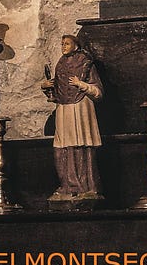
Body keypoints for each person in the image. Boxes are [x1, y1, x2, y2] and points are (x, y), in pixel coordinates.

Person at [44, 33, 103, 201]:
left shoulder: (86, 63)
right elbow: (56, 91)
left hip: (82, 107)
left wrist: (81, 84)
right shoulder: (61, 64)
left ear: (76, 46)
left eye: (67, 43)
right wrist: (47, 87)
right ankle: (68, 185)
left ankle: (87, 186)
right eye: (62, 43)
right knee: (62, 147)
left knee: (82, 145)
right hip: (64, 108)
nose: (63, 46)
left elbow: (98, 92)